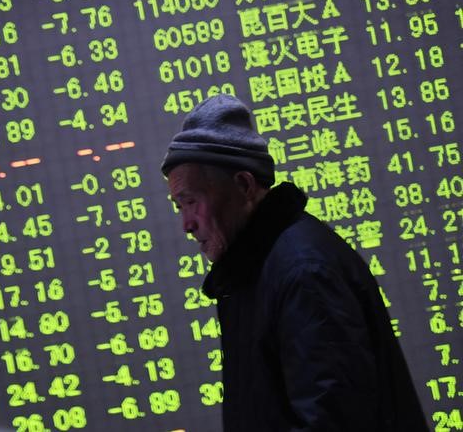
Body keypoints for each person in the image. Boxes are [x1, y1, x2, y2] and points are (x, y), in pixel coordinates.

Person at [161, 94, 428, 431]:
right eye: (179, 206)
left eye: (191, 201)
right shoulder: (258, 269)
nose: (186, 223)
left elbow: (333, 422)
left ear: (243, 185)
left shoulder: (303, 273)